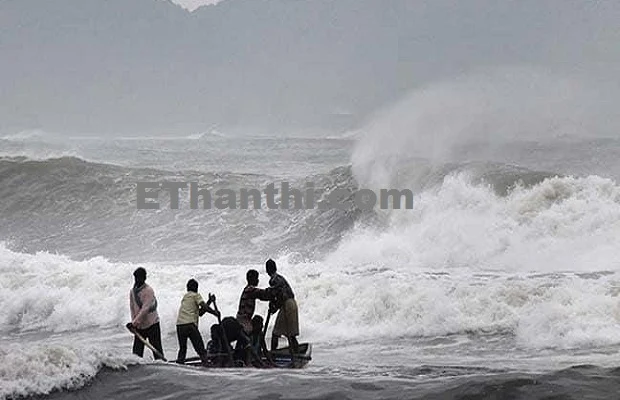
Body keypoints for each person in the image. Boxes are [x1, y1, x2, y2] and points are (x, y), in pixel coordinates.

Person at [175, 278, 220, 365]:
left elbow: (201, 312)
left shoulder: (185, 297)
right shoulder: (196, 295)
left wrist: (209, 301)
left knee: (182, 349)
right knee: (200, 348)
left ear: (187, 288)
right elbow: (204, 307)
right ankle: (206, 365)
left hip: (180, 325)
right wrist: (214, 313)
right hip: (190, 324)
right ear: (196, 288)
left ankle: (180, 364)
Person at [127, 267, 165, 360]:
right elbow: (132, 308)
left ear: (144, 278)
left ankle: (161, 367)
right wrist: (134, 323)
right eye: (136, 278)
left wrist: (134, 322)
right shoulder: (132, 291)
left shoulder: (148, 290)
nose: (137, 280)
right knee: (136, 353)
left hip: (152, 324)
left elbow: (145, 309)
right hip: (140, 326)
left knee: (157, 351)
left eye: (139, 278)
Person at [265, 259, 299, 359]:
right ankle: (297, 355)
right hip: (292, 303)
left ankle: (273, 356)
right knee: (290, 334)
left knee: (276, 333)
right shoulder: (280, 277)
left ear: (267, 270)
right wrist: (274, 307)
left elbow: (278, 295)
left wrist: (273, 307)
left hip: (286, 305)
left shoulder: (273, 280)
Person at [236, 269, 272, 335]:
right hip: (244, 320)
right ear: (252, 279)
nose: (258, 280)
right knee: (251, 332)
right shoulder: (251, 290)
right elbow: (265, 295)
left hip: (242, 318)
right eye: (256, 278)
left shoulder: (247, 289)